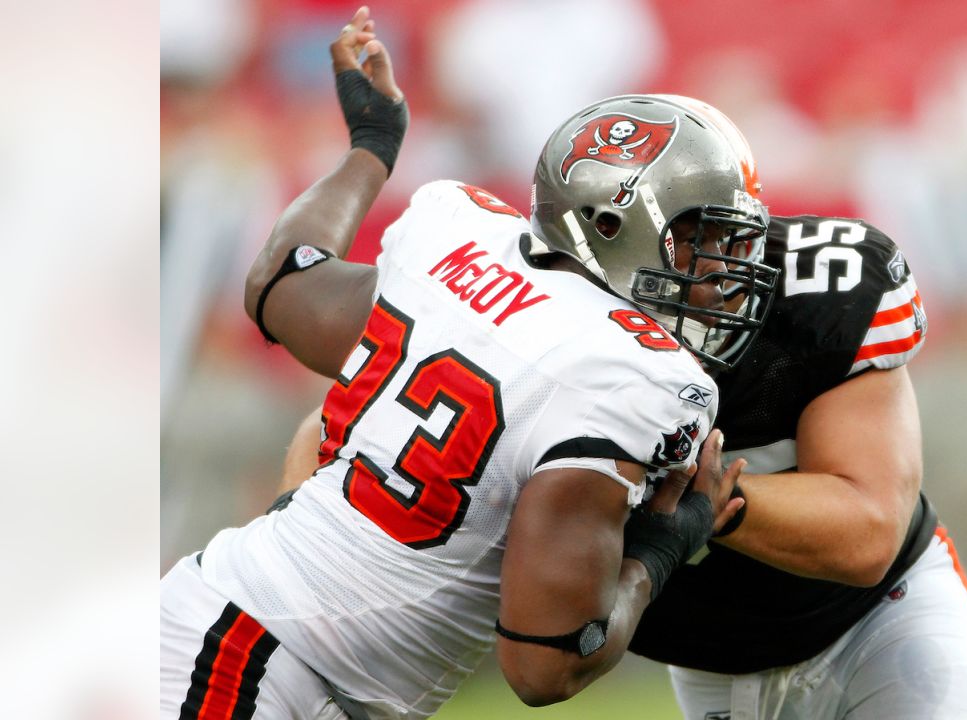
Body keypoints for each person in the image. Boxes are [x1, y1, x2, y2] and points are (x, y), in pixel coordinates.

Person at [159, 7, 778, 718]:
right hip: (256, 659)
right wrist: (663, 549)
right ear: (610, 225)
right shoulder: (635, 377)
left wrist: (371, 144)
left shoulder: (457, 237)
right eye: (702, 239)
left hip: (250, 640)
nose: (726, 270)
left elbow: (284, 279)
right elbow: (543, 665)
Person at [626, 209, 967, 718]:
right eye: (671, 236)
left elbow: (869, 530)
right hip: (712, 656)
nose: (700, 264)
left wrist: (712, 502)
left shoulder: (815, 296)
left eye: (716, 231)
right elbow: (539, 670)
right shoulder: (543, 346)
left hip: (876, 617)